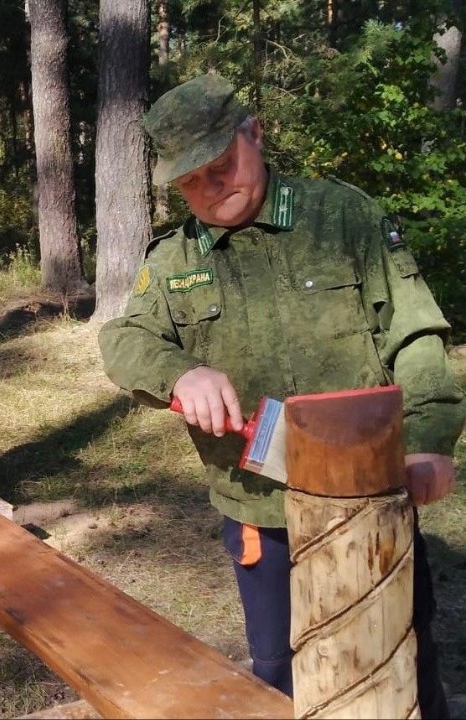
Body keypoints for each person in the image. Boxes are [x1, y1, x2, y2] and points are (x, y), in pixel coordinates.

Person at [98, 73, 464, 717]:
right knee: (281, 676)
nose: (210, 191)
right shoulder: (176, 257)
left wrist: (432, 440)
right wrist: (179, 372)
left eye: (221, 166)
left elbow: (414, 335)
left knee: (400, 662)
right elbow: (124, 340)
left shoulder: (342, 216)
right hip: (260, 516)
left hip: (371, 503)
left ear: (256, 134)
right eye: (189, 180)